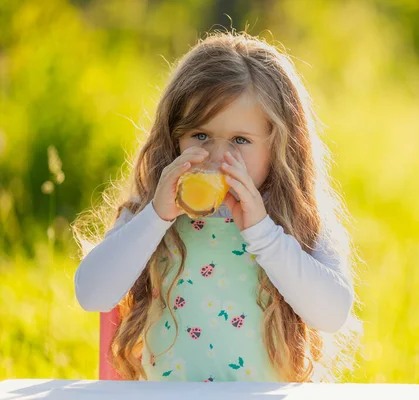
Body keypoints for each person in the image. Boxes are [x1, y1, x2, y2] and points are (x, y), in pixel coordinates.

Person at [73, 31, 361, 383]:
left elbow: (332, 315)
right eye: (200, 136)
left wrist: (263, 233)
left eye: (241, 140)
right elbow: (92, 294)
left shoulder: (298, 217)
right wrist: (155, 217)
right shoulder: (155, 211)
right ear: (173, 137)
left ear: (281, 146)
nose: (217, 156)